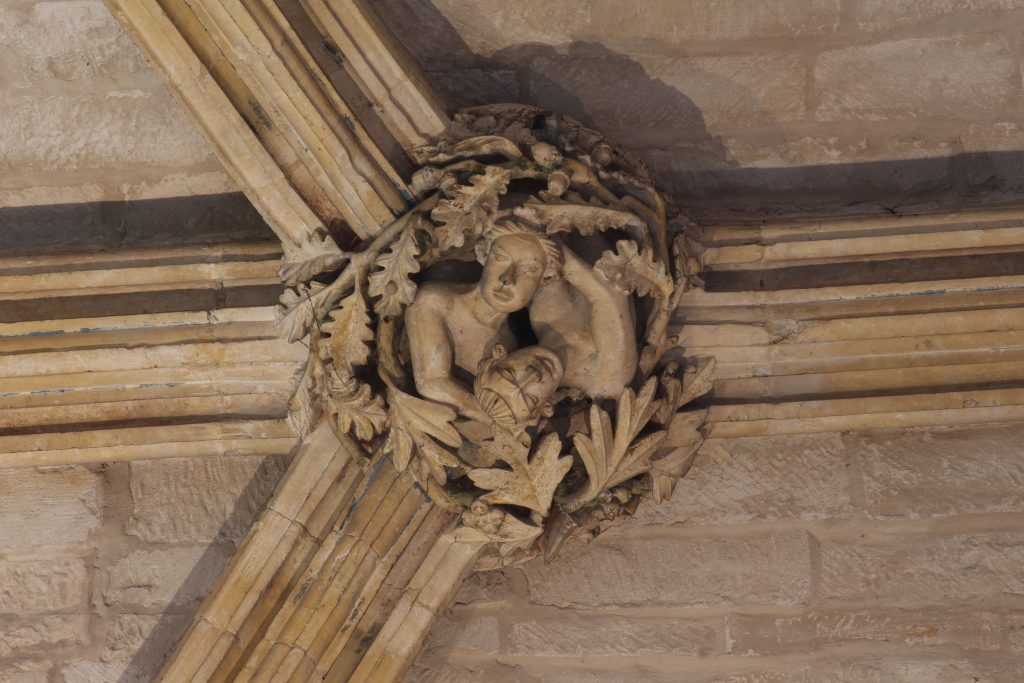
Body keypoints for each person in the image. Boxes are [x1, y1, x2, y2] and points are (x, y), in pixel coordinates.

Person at [406, 221, 562, 422]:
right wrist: (501, 422)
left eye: (529, 269)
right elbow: (431, 383)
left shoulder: (514, 345)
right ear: (483, 256)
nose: (508, 278)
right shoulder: (435, 301)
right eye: (500, 258)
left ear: (544, 281)